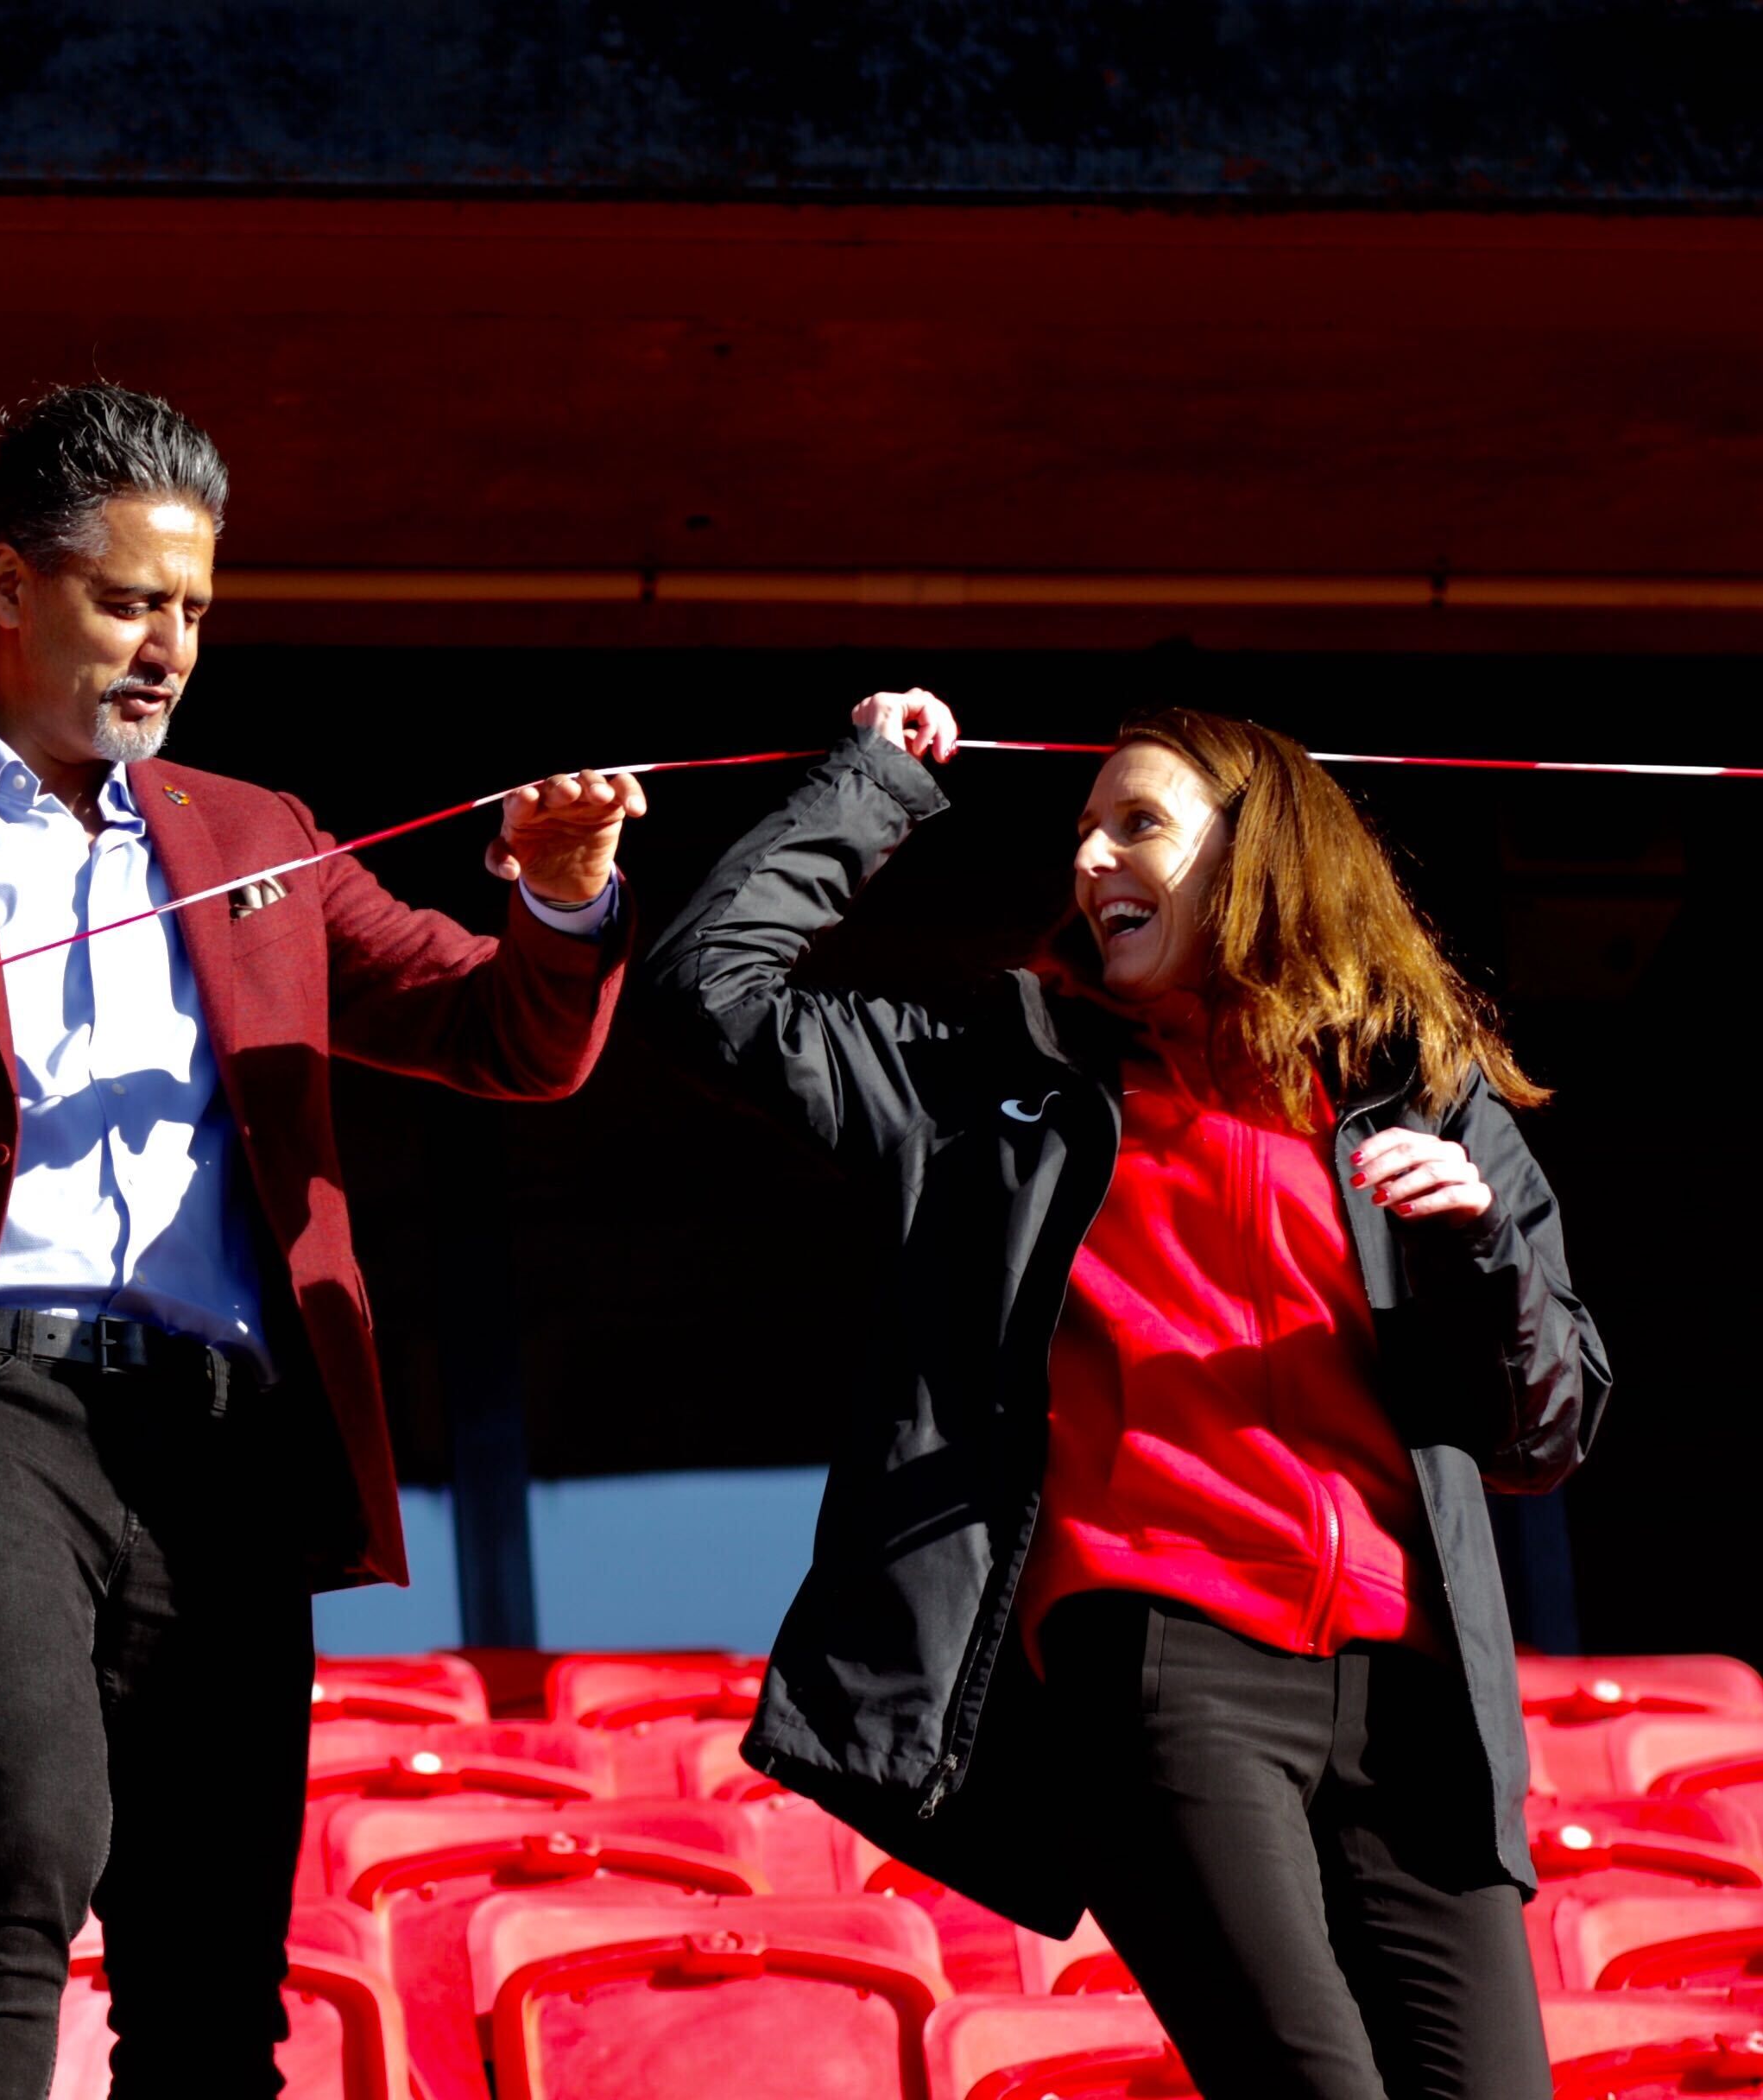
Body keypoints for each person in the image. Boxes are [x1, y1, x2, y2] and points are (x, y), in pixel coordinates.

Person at [0, 383, 644, 2097]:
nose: (169, 649)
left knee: (214, 1957)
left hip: (227, 1433)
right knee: (24, 1844)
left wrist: (561, 893)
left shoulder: (262, 835)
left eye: (196, 611)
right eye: (130, 600)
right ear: (10, 585)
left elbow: (504, 1039)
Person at [642, 689, 1609, 2099]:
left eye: (1139, 824)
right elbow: (708, 989)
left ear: (1260, 852)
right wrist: (874, 785)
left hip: (1419, 1702)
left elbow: (1546, 1432)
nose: (1092, 860)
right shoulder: (1000, 1084)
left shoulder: (1426, 1094)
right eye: (1084, 832)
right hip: (1166, 1668)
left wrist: (1480, 1248)